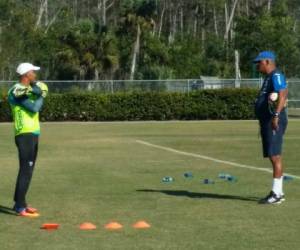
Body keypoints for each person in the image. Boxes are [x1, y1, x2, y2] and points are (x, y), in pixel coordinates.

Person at [8, 63, 48, 217]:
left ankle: (21, 202)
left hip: (33, 133)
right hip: (24, 134)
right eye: (33, 72)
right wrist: (42, 95)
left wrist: (40, 90)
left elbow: (38, 89)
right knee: (25, 170)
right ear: (26, 74)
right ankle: (19, 207)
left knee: (29, 169)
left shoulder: (29, 87)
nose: (35, 74)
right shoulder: (16, 90)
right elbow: (34, 108)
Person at [253, 51, 288, 204]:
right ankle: (278, 192)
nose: (257, 66)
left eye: (259, 62)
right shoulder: (268, 77)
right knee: (273, 156)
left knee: (275, 156)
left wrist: (276, 116)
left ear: (267, 61)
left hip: (273, 121)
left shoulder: (276, 75)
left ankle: (276, 194)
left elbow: (283, 93)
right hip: (267, 120)